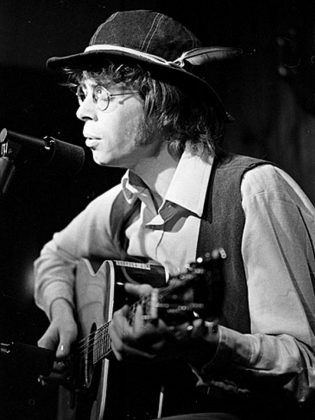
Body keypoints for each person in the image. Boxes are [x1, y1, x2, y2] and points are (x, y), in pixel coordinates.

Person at [34, 9, 315, 420]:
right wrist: (63, 314)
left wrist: (206, 345)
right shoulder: (124, 202)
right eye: (82, 94)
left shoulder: (253, 191)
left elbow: (306, 367)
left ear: (161, 99)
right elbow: (53, 257)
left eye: (102, 95)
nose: (82, 112)